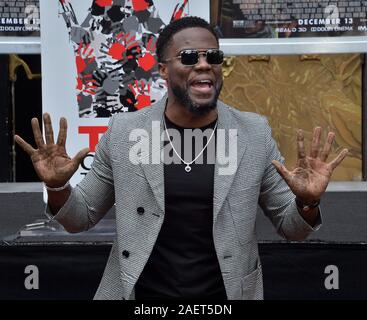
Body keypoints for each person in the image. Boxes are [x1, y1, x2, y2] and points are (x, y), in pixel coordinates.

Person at [15, 16, 349, 300]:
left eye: (213, 57)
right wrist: (59, 187)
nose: (204, 64)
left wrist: (307, 202)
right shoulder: (125, 131)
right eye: (189, 57)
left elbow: (292, 229)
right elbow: (80, 218)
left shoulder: (253, 132)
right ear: (162, 69)